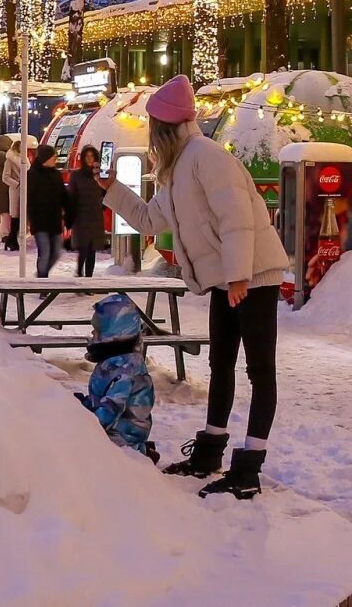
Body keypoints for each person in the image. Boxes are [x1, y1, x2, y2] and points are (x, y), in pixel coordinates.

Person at [99, 74, 289, 500]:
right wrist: (114, 191)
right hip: (229, 278)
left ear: (164, 129)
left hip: (253, 276)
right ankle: (209, 451)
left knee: (259, 370)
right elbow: (150, 221)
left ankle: (249, 465)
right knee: (220, 364)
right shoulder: (176, 170)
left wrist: (239, 275)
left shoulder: (206, 157)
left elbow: (236, 216)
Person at [78, 294, 159, 464]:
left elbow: (110, 411)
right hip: (116, 430)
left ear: (114, 334)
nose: (92, 333)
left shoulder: (125, 370)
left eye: (98, 330)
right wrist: (81, 406)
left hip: (123, 438)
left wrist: (82, 424)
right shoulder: (114, 362)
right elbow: (102, 400)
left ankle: (140, 454)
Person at [26, 145, 68, 278]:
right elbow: (29, 198)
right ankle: (42, 282)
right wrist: (30, 219)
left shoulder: (56, 174)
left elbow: (63, 195)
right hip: (39, 221)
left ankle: (41, 274)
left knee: (56, 252)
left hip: (54, 220)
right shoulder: (32, 175)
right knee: (45, 252)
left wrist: (69, 211)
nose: (55, 159)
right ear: (46, 158)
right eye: (53, 156)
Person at [68, 145, 108, 277]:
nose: (89, 159)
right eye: (87, 156)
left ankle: (88, 279)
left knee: (92, 249)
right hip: (81, 216)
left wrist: (102, 204)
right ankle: (79, 273)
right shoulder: (77, 175)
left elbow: (106, 191)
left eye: (92, 156)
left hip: (95, 215)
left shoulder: (99, 175)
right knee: (83, 248)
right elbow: (72, 195)